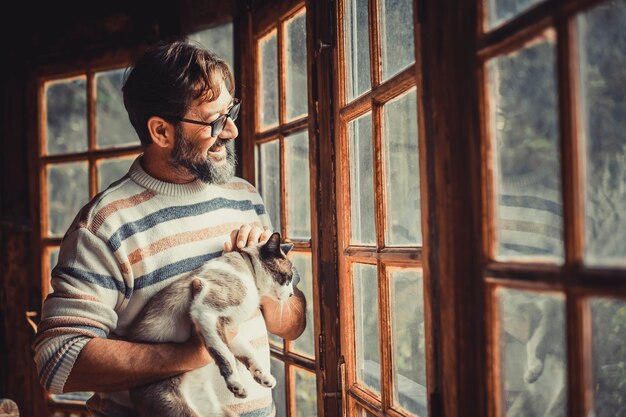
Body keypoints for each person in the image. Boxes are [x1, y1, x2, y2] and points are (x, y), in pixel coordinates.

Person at [33, 39, 307, 417]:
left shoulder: (245, 196)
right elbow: (57, 361)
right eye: (214, 121)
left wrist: (259, 277)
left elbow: (292, 325)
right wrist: (194, 353)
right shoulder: (104, 225)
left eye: (231, 112)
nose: (231, 131)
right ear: (161, 132)